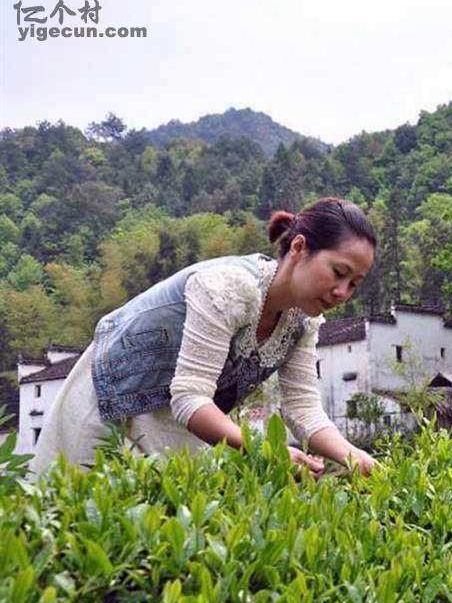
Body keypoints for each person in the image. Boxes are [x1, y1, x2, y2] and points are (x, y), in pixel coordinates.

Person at [29, 197, 378, 479]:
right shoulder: (228, 287)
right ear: (299, 247)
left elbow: (302, 407)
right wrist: (268, 450)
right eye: (338, 272)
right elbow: (190, 397)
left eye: (353, 284)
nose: (342, 292)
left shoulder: (302, 321)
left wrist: (355, 457)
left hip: (178, 424)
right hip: (112, 404)